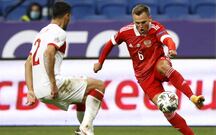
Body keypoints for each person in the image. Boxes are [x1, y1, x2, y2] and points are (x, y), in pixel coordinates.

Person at [93, 4, 205, 135]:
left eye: (143, 22)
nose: (140, 26)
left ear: (150, 19)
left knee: (163, 66)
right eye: (137, 23)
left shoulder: (156, 28)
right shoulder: (125, 32)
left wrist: (171, 49)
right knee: (166, 109)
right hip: (144, 77)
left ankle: (193, 97)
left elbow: (168, 39)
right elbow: (110, 44)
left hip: (158, 65)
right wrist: (100, 62)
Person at [24, 2, 104, 135]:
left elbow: (28, 63)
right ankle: (86, 130)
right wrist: (53, 83)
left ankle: (84, 129)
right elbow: (48, 53)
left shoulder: (42, 33)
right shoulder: (59, 32)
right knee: (99, 86)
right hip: (52, 86)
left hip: (38, 91)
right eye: (69, 17)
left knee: (85, 97)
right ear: (67, 16)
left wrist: (30, 90)